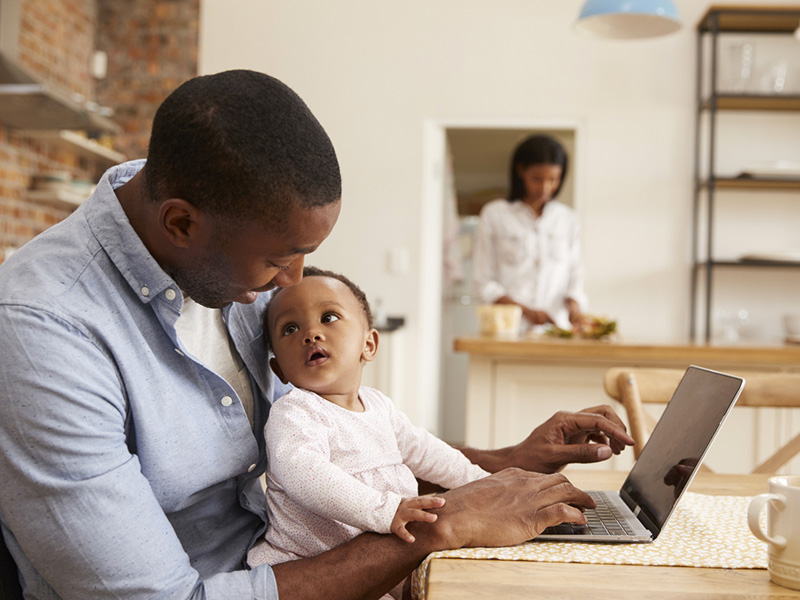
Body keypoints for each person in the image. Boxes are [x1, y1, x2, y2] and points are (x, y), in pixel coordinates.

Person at [0, 69, 633, 600]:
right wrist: (443, 528)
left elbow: (348, 445)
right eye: (281, 259)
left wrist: (506, 463)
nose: (294, 282)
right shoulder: (43, 333)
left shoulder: (225, 235)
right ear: (181, 224)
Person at [248, 267, 490, 597]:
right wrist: (384, 510)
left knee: (460, 580)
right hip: (310, 569)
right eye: (290, 328)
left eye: (329, 317)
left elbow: (427, 451)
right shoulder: (295, 412)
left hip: (375, 556)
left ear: (369, 344)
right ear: (279, 370)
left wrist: (483, 483)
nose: (311, 334)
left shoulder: (379, 406)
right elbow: (304, 473)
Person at [473, 134, 587, 332]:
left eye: (553, 180)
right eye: (537, 179)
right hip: (508, 331)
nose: (545, 188)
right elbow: (483, 283)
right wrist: (525, 312)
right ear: (520, 170)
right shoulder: (495, 214)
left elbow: (575, 276)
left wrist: (575, 311)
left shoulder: (567, 219)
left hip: (557, 331)